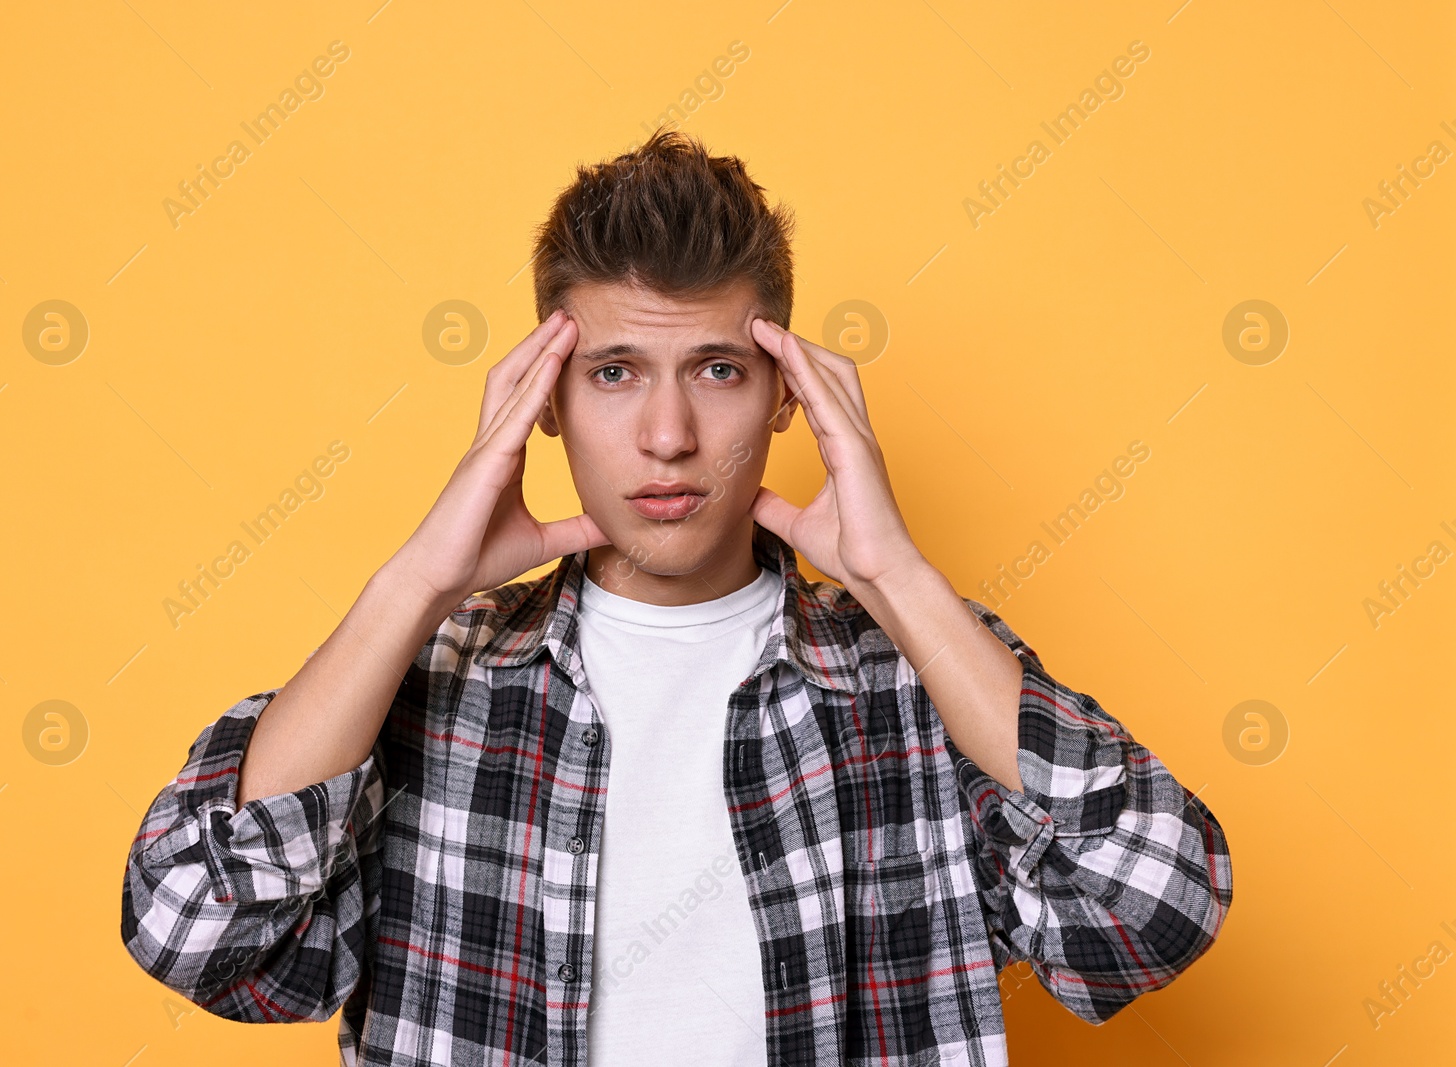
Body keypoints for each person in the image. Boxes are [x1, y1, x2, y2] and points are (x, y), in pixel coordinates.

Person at [120, 127, 1232, 1067]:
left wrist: (895, 576)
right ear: (541, 399)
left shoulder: (913, 676)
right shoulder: (430, 678)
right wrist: (416, 582)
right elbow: (194, 928)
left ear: (791, 396)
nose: (667, 436)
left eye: (716, 369)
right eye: (613, 373)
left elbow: (1150, 909)